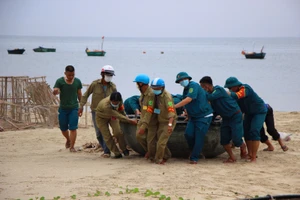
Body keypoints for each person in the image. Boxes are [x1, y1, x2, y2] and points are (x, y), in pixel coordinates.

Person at [200, 76, 247, 163]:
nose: (202, 88)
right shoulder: (212, 97)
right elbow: (213, 111)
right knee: (224, 140)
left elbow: (210, 97)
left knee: (237, 139)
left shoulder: (218, 90)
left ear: (206, 85)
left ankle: (243, 147)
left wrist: (202, 93)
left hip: (235, 115)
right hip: (225, 118)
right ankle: (232, 157)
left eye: (202, 86)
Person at [174, 72, 213, 164]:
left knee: (199, 137)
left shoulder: (193, 86)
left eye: (183, 80)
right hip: (193, 117)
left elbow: (188, 99)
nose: (182, 82)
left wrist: (174, 107)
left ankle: (194, 158)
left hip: (204, 116)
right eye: (180, 81)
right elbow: (187, 104)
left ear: (188, 79)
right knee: (188, 134)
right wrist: (187, 114)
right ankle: (196, 152)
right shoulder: (185, 89)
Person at [224, 77, 267, 162]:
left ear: (235, 85)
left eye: (230, 88)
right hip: (248, 113)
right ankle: (249, 154)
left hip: (259, 111)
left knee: (254, 131)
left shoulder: (245, 88)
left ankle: (253, 156)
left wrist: (226, 93)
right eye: (228, 88)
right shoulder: (234, 92)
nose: (229, 89)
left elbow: (239, 95)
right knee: (246, 132)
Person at [79, 65, 116, 158]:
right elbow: (85, 95)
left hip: (109, 112)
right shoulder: (95, 84)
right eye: (108, 74)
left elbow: (117, 99)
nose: (109, 77)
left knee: (107, 131)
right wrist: (81, 106)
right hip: (96, 112)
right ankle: (105, 149)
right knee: (99, 133)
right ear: (102, 74)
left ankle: (107, 151)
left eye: (111, 75)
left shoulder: (113, 87)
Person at [95, 92, 137, 158]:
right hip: (101, 117)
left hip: (112, 116)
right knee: (107, 136)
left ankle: (124, 148)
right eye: (113, 102)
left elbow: (121, 111)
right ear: (111, 100)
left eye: (117, 102)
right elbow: (117, 115)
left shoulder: (120, 101)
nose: (115, 103)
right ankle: (116, 152)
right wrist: (129, 121)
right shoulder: (105, 105)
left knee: (118, 132)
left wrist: (125, 117)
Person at [53, 65, 82, 152]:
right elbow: (56, 90)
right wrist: (55, 91)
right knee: (63, 128)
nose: (71, 77)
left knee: (73, 128)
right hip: (63, 108)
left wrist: (81, 106)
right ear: (65, 73)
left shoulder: (77, 82)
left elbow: (79, 94)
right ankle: (68, 139)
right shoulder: (60, 81)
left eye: (72, 75)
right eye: (69, 75)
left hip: (74, 108)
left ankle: (72, 146)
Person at [148, 78, 177, 164]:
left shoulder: (167, 97)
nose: (155, 90)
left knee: (161, 142)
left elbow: (171, 112)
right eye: (153, 88)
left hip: (168, 121)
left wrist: (170, 124)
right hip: (161, 121)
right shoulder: (155, 95)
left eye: (157, 88)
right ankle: (167, 155)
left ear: (162, 87)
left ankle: (158, 159)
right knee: (159, 140)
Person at [133, 74, 157, 159]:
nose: (136, 85)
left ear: (141, 84)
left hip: (150, 119)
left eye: (137, 83)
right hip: (143, 117)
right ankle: (149, 151)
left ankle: (153, 154)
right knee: (139, 136)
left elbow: (149, 111)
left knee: (151, 139)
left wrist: (144, 125)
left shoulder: (150, 94)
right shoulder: (143, 93)